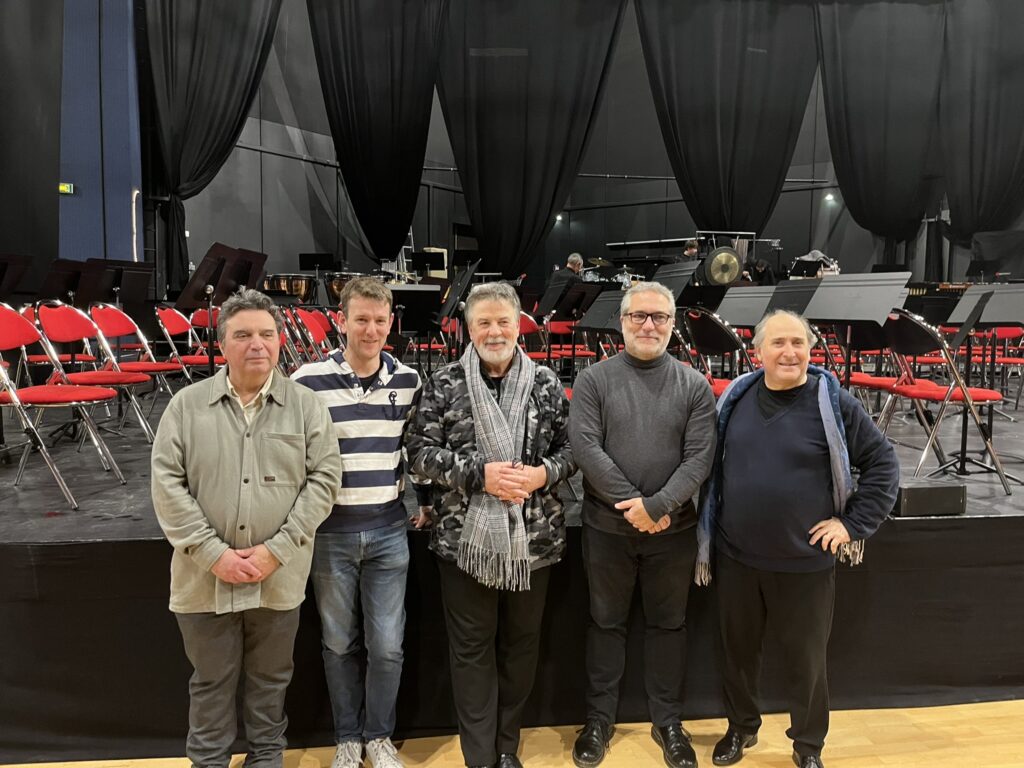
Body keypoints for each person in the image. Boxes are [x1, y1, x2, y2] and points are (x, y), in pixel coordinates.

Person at [698, 310, 899, 768]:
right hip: (736, 557)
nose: (790, 352)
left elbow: (883, 464)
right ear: (758, 352)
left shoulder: (833, 402)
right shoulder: (735, 397)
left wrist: (851, 525)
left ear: (811, 350)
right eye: (778, 343)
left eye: (799, 343)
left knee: (806, 666)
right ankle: (741, 729)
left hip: (804, 563)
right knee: (738, 656)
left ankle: (808, 747)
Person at [151, 288, 341, 768]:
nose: (257, 344)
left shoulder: (306, 406)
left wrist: (276, 550)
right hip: (203, 582)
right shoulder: (185, 407)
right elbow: (167, 486)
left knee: (271, 681)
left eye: (266, 333)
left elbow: (324, 480)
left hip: (278, 577)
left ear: (280, 341)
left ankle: (265, 760)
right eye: (242, 335)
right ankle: (210, 762)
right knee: (211, 682)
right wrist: (213, 554)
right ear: (223, 344)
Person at [407, 281, 575, 768]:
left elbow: (571, 451)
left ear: (519, 324)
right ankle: (480, 756)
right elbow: (418, 455)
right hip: (464, 542)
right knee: (471, 651)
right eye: (484, 322)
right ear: (469, 328)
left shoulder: (544, 382)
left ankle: (507, 747)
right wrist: (481, 476)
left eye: (504, 321)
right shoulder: (442, 384)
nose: (495, 331)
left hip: (534, 542)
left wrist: (546, 472)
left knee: (521, 649)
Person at [568, 282, 716, 768]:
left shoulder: (693, 385)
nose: (649, 325)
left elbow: (699, 458)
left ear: (673, 325)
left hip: (672, 532)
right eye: (639, 316)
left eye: (659, 317)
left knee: (668, 625)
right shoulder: (594, 380)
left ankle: (669, 722)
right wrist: (637, 504)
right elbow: (587, 449)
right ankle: (598, 721)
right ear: (622, 321)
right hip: (607, 529)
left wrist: (658, 506)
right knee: (605, 624)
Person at [291, 277, 432, 768]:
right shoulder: (307, 381)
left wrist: (426, 499)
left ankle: (379, 737)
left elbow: (416, 449)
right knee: (337, 643)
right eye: (361, 320)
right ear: (341, 320)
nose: (371, 330)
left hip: (390, 530)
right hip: (330, 533)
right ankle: (348, 736)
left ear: (390, 322)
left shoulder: (409, 379)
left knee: (388, 646)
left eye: (379, 320)